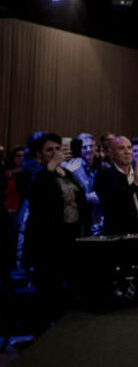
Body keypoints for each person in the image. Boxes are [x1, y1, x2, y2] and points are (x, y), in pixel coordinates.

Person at [23, 133, 91, 327]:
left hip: (72, 238)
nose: (55, 153)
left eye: (57, 148)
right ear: (39, 155)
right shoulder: (37, 174)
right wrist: (50, 167)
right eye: (49, 150)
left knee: (71, 289)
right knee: (48, 291)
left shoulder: (67, 173)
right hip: (48, 242)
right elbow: (35, 197)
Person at [94, 136, 138, 299]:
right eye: (122, 148)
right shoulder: (104, 175)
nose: (127, 152)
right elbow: (113, 203)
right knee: (127, 283)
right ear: (111, 153)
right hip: (120, 235)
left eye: (129, 148)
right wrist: (134, 185)